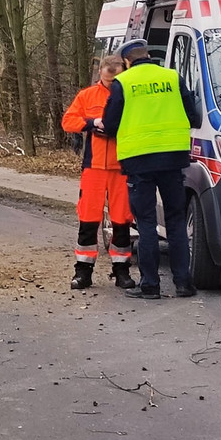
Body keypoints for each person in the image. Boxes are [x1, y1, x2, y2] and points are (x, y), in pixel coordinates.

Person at [99, 39, 202, 299]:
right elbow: (194, 116)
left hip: (139, 161)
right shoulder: (172, 77)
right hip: (172, 159)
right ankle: (183, 284)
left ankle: (150, 285)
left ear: (126, 61)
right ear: (149, 55)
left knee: (146, 223)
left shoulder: (125, 82)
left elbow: (110, 125)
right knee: (176, 221)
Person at [62, 55, 135, 290]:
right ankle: (83, 272)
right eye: (107, 79)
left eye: (115, 80)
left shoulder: (130, 93)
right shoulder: (87, 95)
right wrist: (92, 123)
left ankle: (121, 270)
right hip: (94, 166)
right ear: (100, 74)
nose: (111, 84)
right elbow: (68, 121)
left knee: (122, 219)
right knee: (88, 218)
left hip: (122, 165)